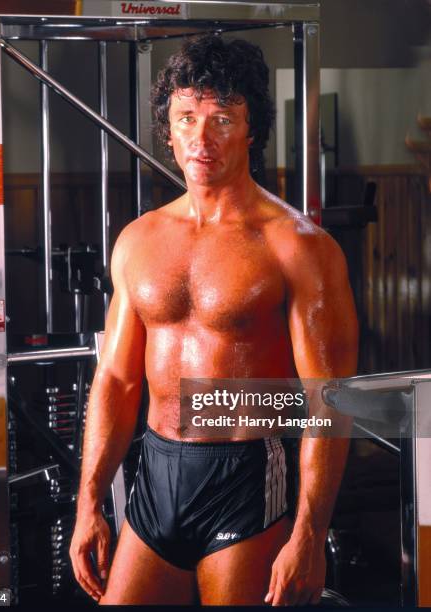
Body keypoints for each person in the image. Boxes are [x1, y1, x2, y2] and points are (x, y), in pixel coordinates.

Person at [69, 34, 358, 606]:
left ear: (251, 127)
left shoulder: (297, 247)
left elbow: (329, 399)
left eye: (222, 119)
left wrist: (310, 533)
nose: (201, 138)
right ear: (168, 127)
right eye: (186, 118)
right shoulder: (138, 241)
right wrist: (89, 503)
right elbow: (118, 381)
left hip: (246, 478)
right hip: (154, 475)